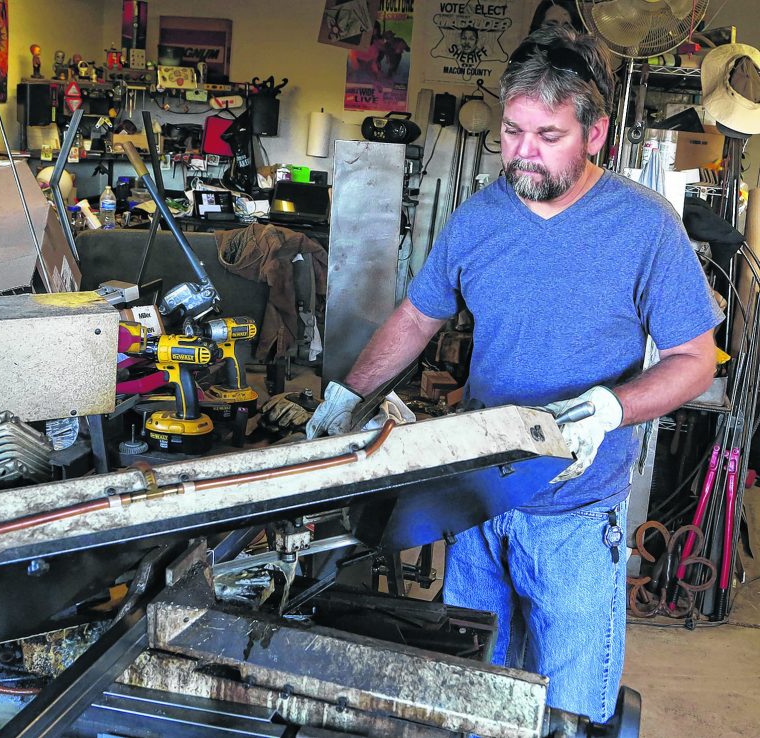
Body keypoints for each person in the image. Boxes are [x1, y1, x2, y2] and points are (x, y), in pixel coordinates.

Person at [306, 24, 720, 723]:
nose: (522, 153)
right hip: (476, 500)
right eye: (512, 130)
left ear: (596, 134)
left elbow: (695, 360)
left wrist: (612, 410)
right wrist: (347, 398)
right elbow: (417, 316)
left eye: (547, 135)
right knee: (475, 694)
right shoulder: (480, 218)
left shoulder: (644, 227)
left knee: (568, 710)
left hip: (577, 513)